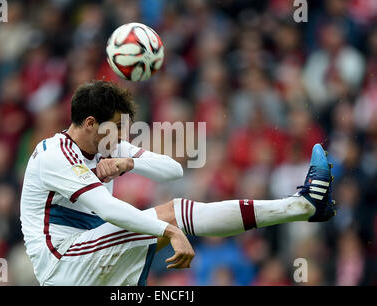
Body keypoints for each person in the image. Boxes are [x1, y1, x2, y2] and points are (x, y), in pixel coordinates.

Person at [20, 80, 336, 286]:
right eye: (115, 127)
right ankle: (304, 205)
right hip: (64, 264)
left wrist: (129, 161)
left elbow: (173, 170)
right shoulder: (53, 155)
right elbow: (108, 209)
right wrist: (168, 230)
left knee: (177, 209)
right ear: (89, 123)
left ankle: (305, 206)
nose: (120, 136)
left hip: (89, 260)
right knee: (174, 213)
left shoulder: (109, 147)